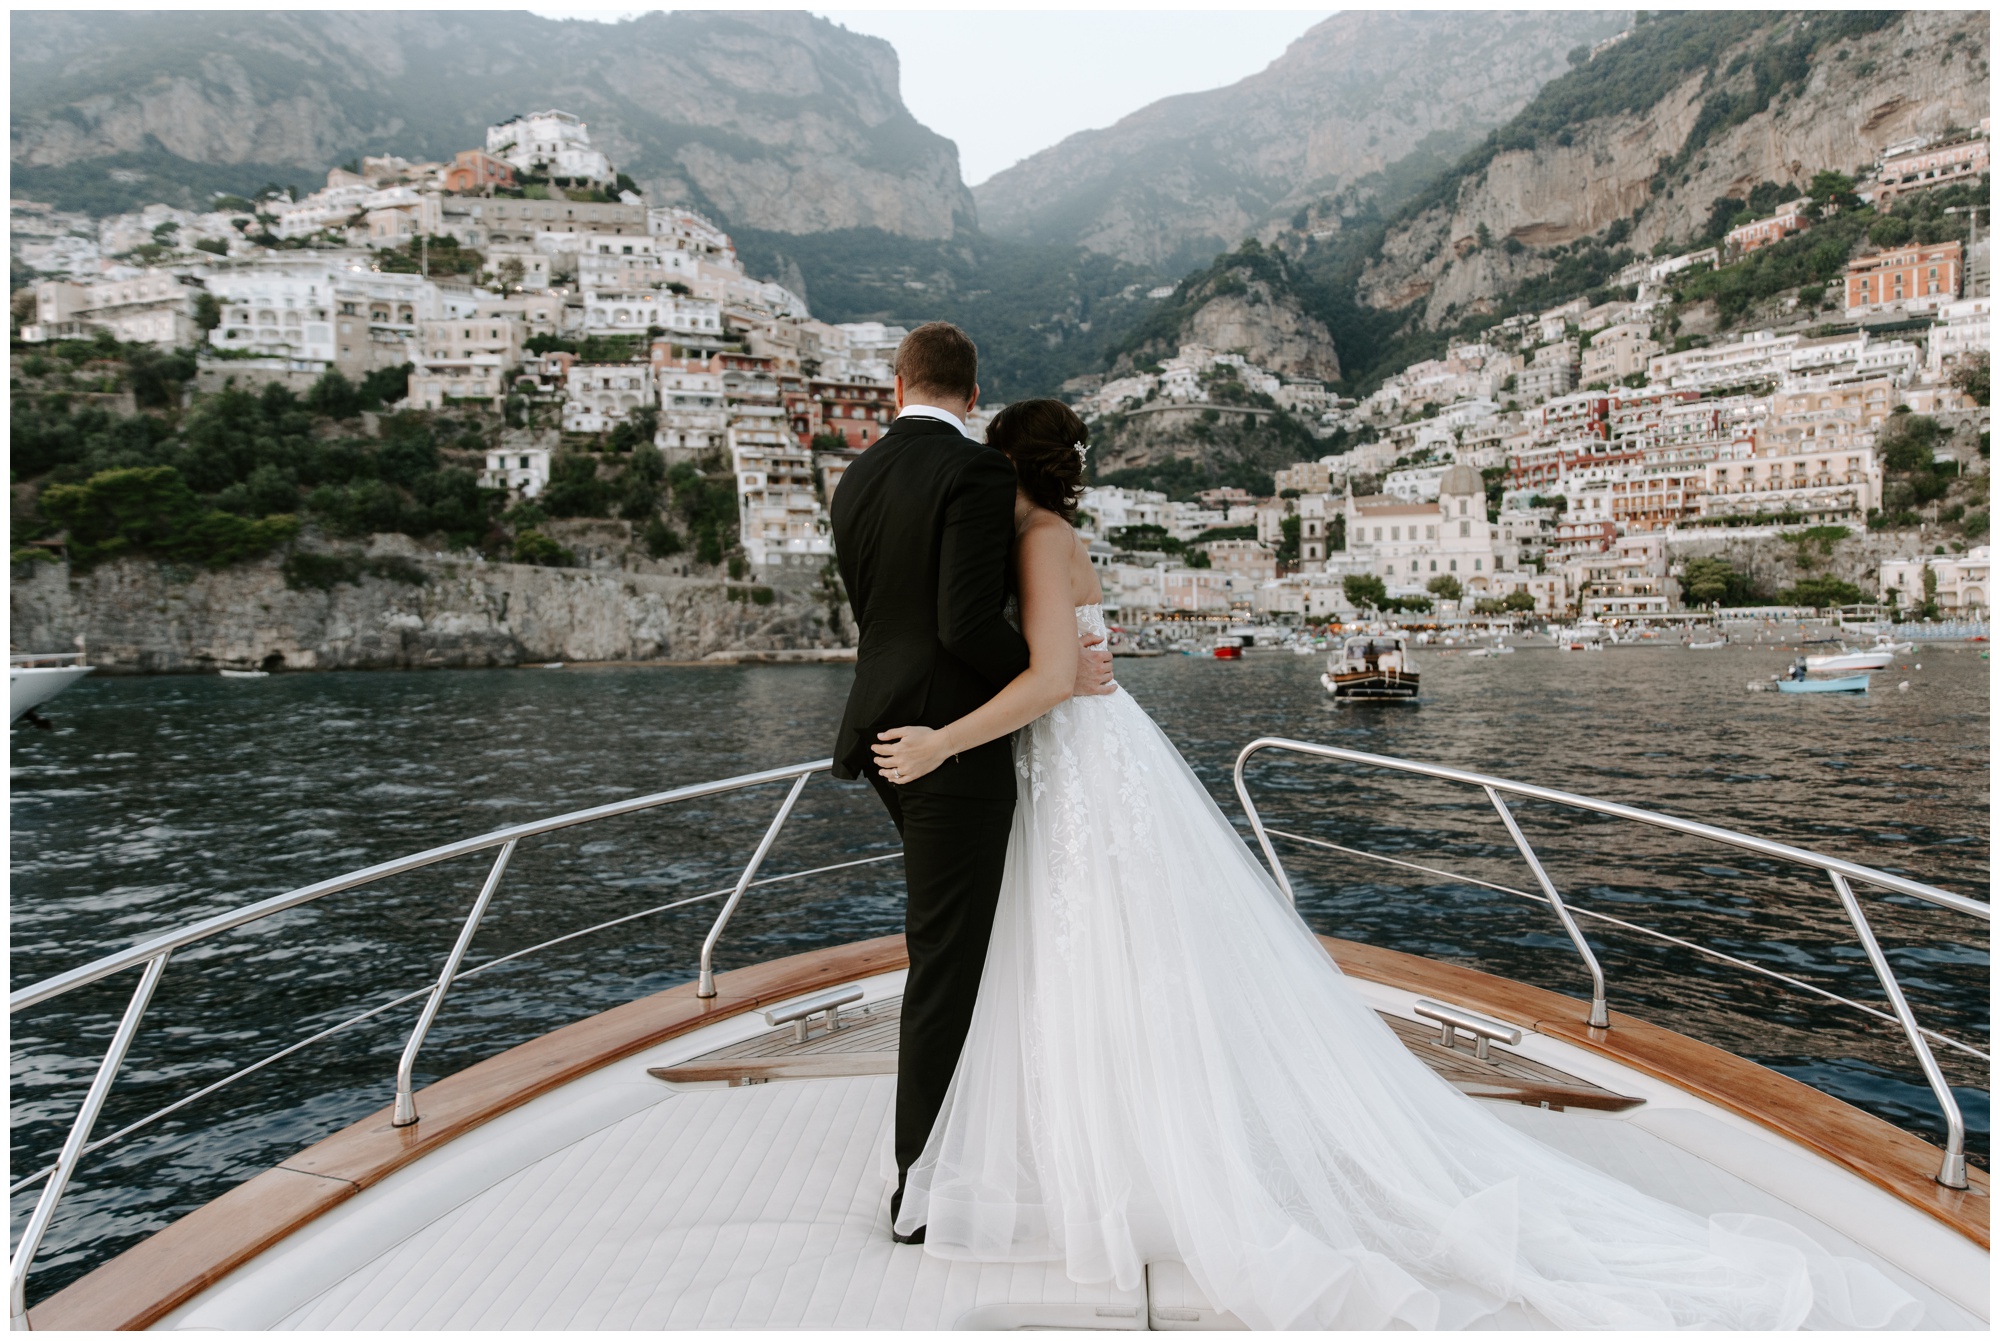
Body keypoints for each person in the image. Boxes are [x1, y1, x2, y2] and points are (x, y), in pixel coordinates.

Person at [868, 398, 1918, 1330]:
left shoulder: (1042, 544)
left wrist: (940, 741)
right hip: (1082, 763)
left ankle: (1128, 1163)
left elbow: (1055, 677)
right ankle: (1100, 1154)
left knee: (1101, 954)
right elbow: (1055, 661)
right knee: (1095, 959)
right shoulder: (1041, 540)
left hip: (1076, 765)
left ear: (1007, 470)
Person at [828, 325, 1115, 1246]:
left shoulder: (857, 476)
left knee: (958, 947)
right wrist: (1050, 666)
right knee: (950, 961)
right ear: (970, 389)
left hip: (879, 734)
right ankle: (920, 1183)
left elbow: (887, 615)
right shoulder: (979, 477)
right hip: (945, 746)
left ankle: (964, 1145)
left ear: (897, 382)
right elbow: (960, 623)